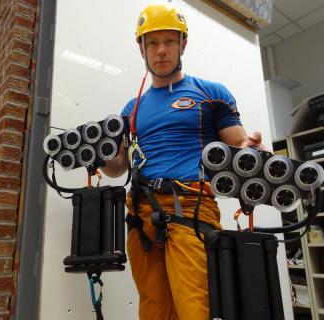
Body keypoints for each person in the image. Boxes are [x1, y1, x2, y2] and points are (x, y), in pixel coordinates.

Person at [101, 3, 264, 319]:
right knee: (154, 309)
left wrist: (251, 149)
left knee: (194, 309)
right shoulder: (131, 108)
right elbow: (116, 168)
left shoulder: (210, 93)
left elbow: (240, 144)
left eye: (169, 41)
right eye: (152, 43)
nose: (161, 51)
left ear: (182, 44)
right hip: (141, 213)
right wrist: (101, 154)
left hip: (190, 207)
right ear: (142, 50)